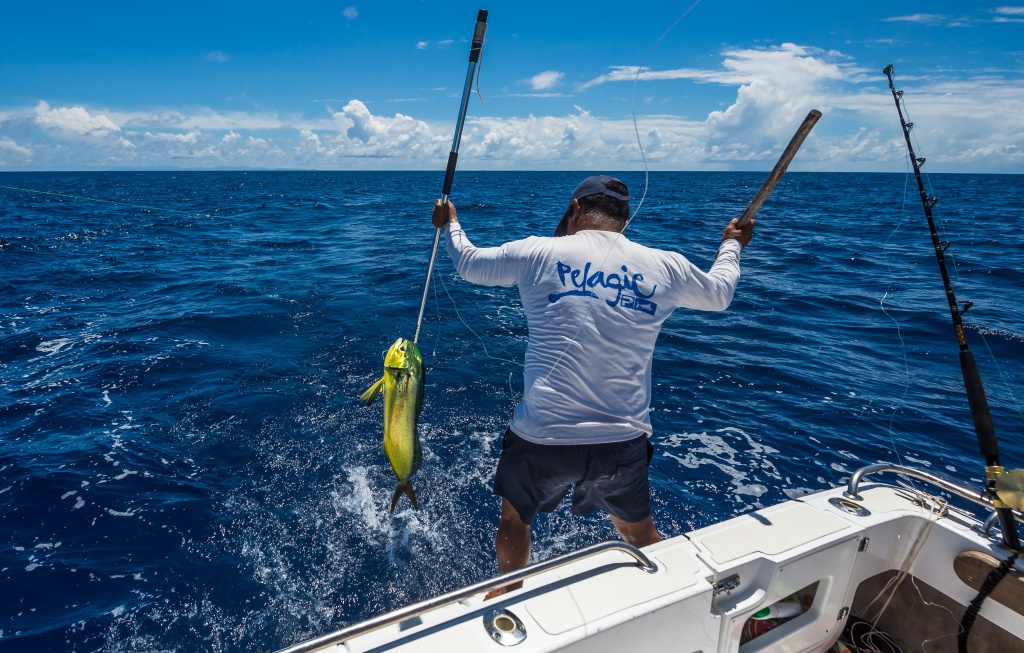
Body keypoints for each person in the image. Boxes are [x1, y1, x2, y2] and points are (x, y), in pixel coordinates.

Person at [430, 175, 753, 595]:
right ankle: (688, 593)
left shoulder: (536, 251)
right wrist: (731, 245)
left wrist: (450, 222)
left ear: (577, 209)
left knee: (515, 519)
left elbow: (469, 263)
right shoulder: (665, 264)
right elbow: (720, 293)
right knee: (638, 535)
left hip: (542, 435)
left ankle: (508, 594)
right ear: (624, 218)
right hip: (622, 442)